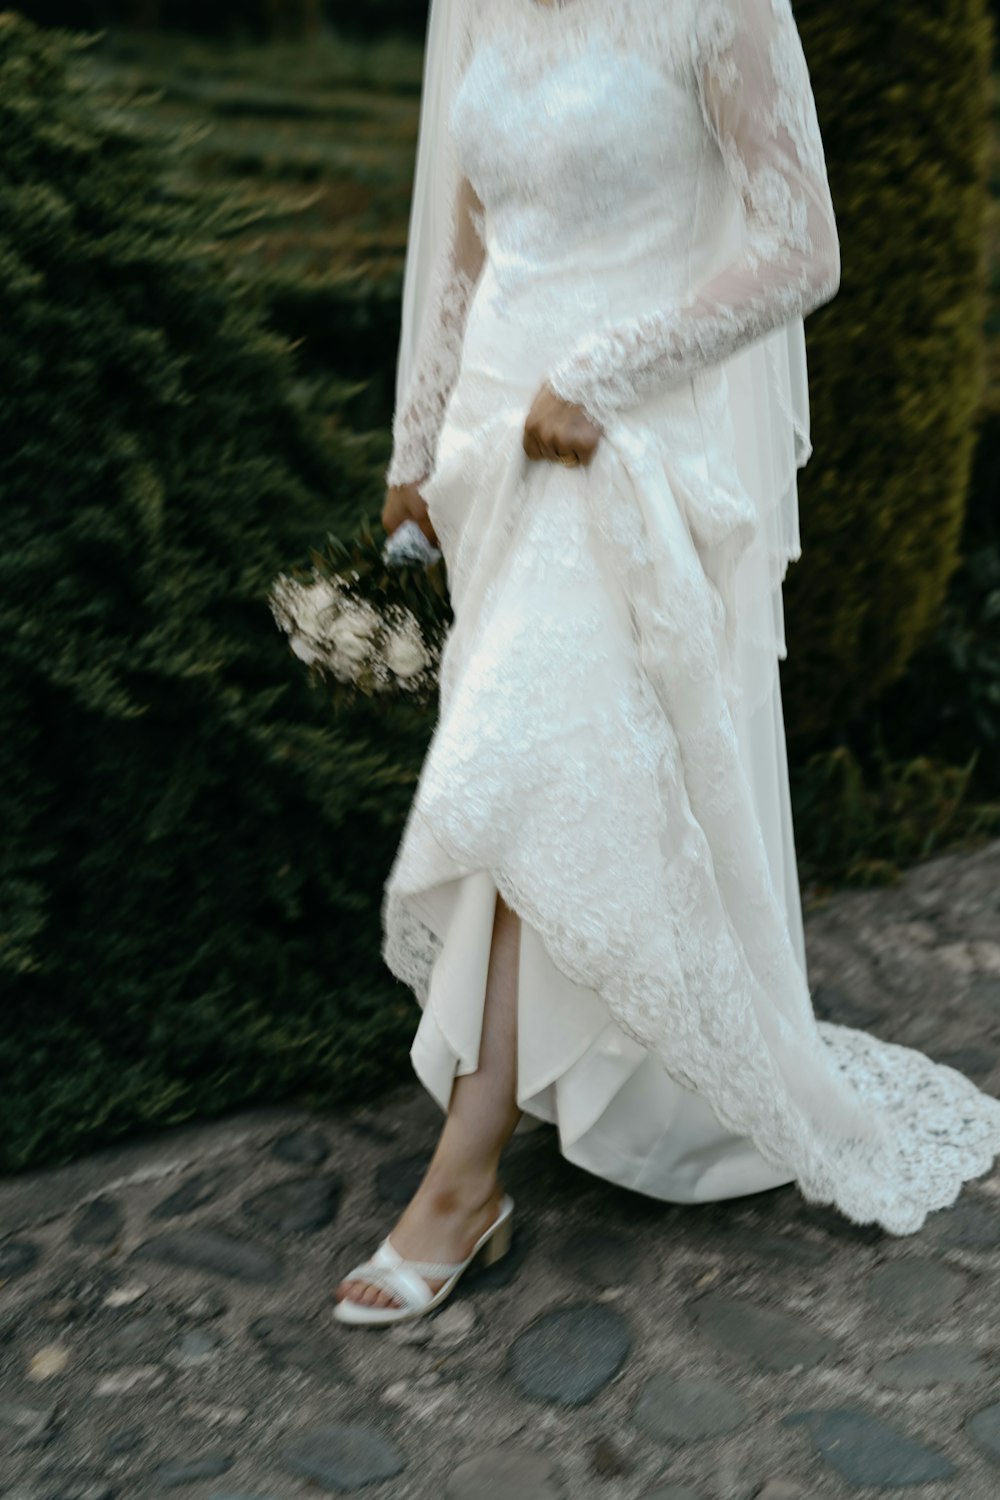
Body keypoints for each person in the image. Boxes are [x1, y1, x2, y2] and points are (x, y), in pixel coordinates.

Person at [332, 0, 1000, 1325]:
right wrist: (417, 443)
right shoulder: (475, 7)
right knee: (552, 773)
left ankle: (465, 1176)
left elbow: (799, 247)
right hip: (495, 452)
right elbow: (465, 240)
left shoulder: (720, 6)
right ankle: (583, 1079)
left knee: (528, 765)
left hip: (623, 446)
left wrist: (607, 373)